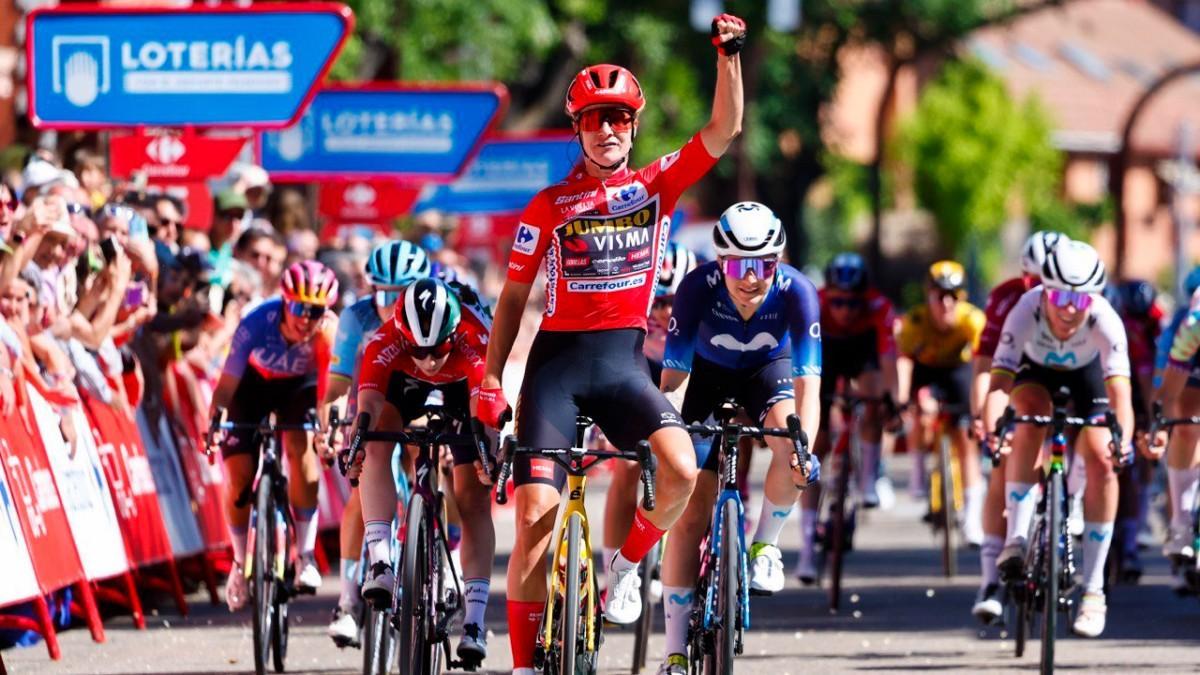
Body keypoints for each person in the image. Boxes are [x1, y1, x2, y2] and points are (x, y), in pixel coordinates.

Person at [476, 14, 746, 675]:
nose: (608, 129)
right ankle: (522, 665)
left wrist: (728, 56)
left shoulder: (656, 184)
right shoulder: (548, 204)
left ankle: (624, 569)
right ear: (578, 127)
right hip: (556, 369)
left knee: (681, 468)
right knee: (535, 519)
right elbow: (512, 300)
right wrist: (489, 381)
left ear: (633, 124)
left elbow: (723, 130)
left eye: (619, 118)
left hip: (623, 363)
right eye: (595, 118)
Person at [656, 201, 820, 674]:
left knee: (791, 448)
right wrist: (666, 432)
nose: (751, 278)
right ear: (719, 261)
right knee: (689, 516)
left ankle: (766, 545)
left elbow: (810, 384)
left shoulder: (798, 292)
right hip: (705, 378)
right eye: (738, 265)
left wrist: (803, 447)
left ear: (778, 261)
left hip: (770, 373)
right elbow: (674, 380)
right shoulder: (695, 289)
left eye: (764, 265)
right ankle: (672, 650)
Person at [983, 239, 1134, 638]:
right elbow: (999, 382)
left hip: (1089, 379)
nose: (1070, 308)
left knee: (1103, 458)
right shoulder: (1025, 309)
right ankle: (1016, 538)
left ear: (1094, 301)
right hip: (1035, 372)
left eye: (1081, 300)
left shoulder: (1105, 321)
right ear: (1044, 290)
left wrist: (1125, 442)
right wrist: (995, 429)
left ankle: (1094, 590)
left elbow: (1121, 396)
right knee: (1029, 420)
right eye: (1061, 296)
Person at [352, 277, 497, 663]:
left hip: (465, 389)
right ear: (403, 334)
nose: (431, 359)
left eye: (439, 348)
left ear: (453, 332)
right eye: (420, 349)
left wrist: (489, 454)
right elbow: (366, 405)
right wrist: (356, 446)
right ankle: (381, 562)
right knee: (373, 442)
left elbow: (487, 411)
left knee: (473, 497)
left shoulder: (474, 335)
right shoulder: (386, 340)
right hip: (405, 386)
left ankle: (475, 622)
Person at [210, 261, 339, 611]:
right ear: (284, 302)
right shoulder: (255, 322)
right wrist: (215, 423)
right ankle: (240, 564)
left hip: (300, 389)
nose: (306, 319)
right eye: (299, 308)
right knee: (239, 478)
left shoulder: (328, 331)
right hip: (251, 388)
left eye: (316, 311)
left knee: (302, 448)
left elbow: (329, 393)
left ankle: (306, 555)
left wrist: (327, 434)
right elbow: (225, 387)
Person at [322, 241, 431, 645]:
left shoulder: (431, 308)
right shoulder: (356, 317)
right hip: (370, 399)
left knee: (439, 469)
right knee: (359, 495)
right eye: (382, 293)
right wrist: (331, 424)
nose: (389, 304)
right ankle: (348, 602)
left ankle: (438, 549)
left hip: (420, 398)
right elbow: (335, 386)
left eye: (399, 294)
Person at [968, 230, 1064, 623]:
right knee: (1003, 464)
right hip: (1019, 372)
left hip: (1071, 373)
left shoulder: (1075, 296)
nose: (1039, 290)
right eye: (1032, 281)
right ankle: (990, 579)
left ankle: (1066, 512)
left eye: (1048, 283)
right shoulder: (1007, 298)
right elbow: (985, 365)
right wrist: (983, 418)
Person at [793, 251, 899, 584]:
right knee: (815, 445)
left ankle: (867, 478)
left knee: (873, 401)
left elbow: (888, 360)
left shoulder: (879, 307)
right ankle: (808, 549)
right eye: (838, 302)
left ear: (864, 297)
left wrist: (891, 401)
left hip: (863, 352)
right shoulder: (816, 302)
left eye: (853, 303)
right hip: (827, 353)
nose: (844, 310)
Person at [600, 240, 697, 594]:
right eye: (656, 301)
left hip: (686, 381)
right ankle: (614, 572)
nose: (662, 312)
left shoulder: (701, 314)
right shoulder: (631, 317)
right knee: (626, 466)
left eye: (672, 303)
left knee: (693, 463)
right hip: (638, 377)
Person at [897, 260, 986, 544]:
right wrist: (902, 400)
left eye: (954, 295)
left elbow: (983, 364)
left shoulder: (972, 320)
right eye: (939, 295)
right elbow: (903, 362)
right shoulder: (916, 321)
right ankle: (918, 473)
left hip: (959, 373)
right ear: (929, 295)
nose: (946, 302)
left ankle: (972, 518)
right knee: (922, 411)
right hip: (927, 371)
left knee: (965, 439)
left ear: (962, 297)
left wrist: (979, 408)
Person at [1151, 272, 1200, 593]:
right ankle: (1181, 521)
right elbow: (1166, 395)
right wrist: (1161, 427)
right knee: (1184, 423)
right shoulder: (1191, 325)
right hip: (1189, 360)